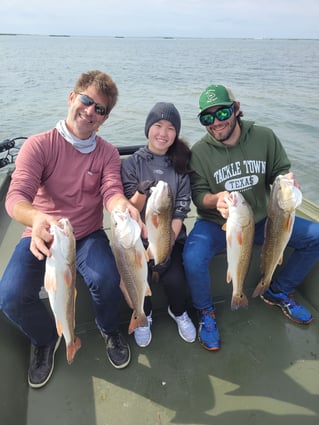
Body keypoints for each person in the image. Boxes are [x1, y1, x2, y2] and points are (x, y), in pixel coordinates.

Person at [0, 70, 144, 388]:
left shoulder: (106, 153)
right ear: (72, 98)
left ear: (104, 119)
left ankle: (109, 330)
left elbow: (111, 192)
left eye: (100, 109)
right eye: (87, 101)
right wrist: (37, 219)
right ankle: (45, 338)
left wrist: (123, 207)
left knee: (106, 278)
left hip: (88, 233)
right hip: (44, 232)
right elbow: (16, 197)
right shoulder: (38, 146)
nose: (91, 111)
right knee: (9, 295)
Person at [183, 84, 319, 351]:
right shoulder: (199, 152)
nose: (216, 122)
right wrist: (216, 200)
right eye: (207, 118)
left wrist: (288, 180)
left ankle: (278, 290)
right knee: (192, 257)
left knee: (315, 237)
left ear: (236, 109)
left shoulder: (265, 137)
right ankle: (206, 313)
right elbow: (199, 196)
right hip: (217, 224)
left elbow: (280, 171)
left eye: (221, 113)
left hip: (262, 219)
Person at [121, 102, 196, 347]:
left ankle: (179, 311)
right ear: (148, 128)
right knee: (141, 279)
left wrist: (164, 247)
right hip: (137, 240)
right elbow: (131, 207)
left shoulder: (181, 166)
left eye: (170, 128)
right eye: (157, 125)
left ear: (176, 134)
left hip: (169, 238)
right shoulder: (132, 163)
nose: (163, 133)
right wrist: (142, 192)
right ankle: (146, 316)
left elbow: (180, 212)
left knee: (173, 277)